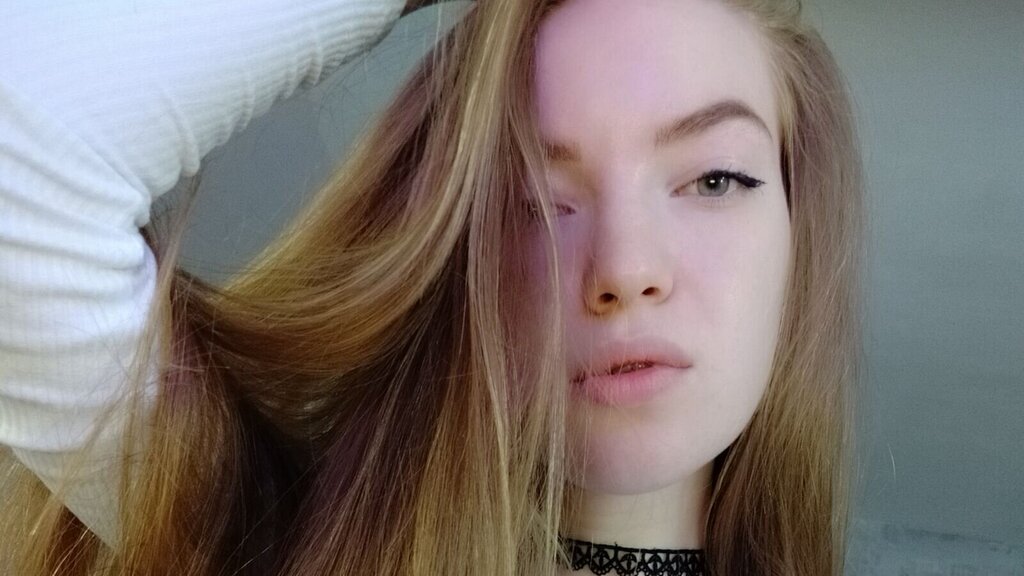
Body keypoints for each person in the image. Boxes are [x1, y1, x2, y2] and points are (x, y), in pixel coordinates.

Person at [0, 0, 865, 574]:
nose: (626, 270)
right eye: (532, 202)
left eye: (715, 180)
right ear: (450, 252)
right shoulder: (280, 536)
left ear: (800, 234)